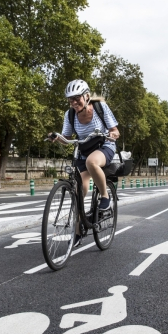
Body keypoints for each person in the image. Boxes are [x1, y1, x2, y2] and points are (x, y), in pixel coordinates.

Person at [49, 79, 120, 246]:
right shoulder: (70, 114)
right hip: (83, 151)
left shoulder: (100, 107)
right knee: (79, 191)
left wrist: (113, 135)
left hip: (105, 146)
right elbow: (66, 139)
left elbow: (115, 130)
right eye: (70, 99)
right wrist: (55, 137)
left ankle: (104, 196)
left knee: (92, 162)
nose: (73, 102)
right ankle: (78, 233)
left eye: (77, 98)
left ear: (87, 96)